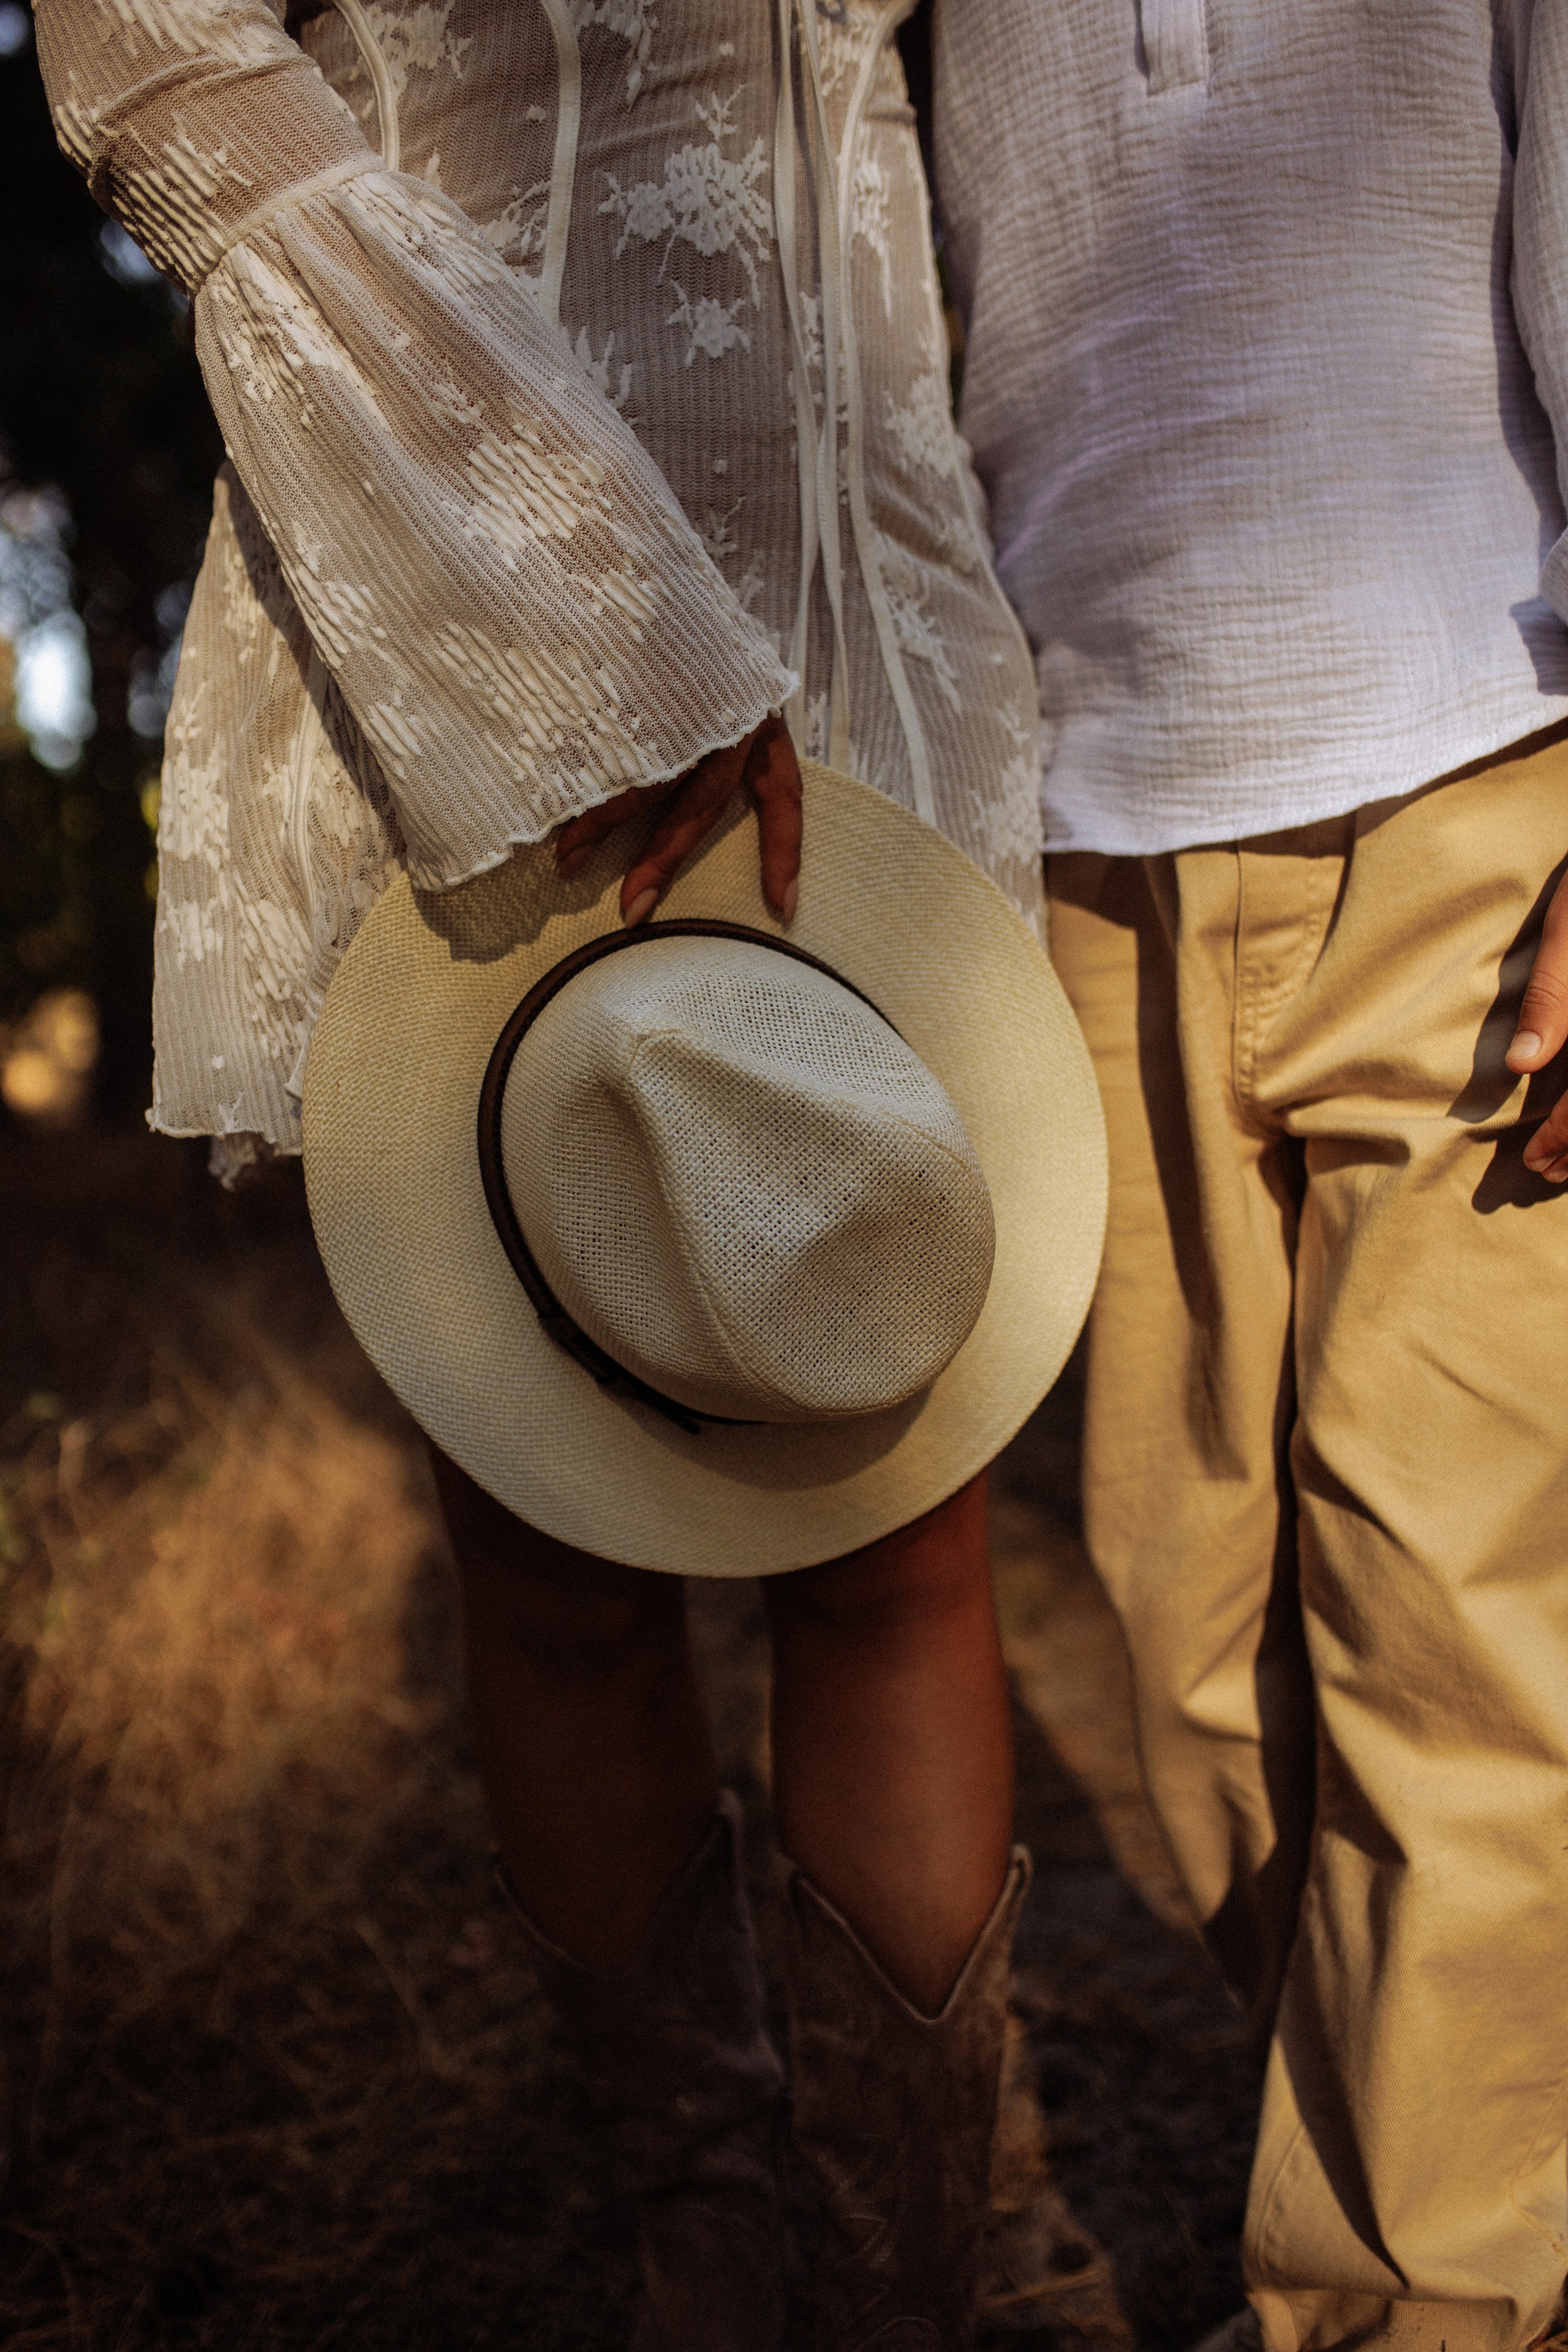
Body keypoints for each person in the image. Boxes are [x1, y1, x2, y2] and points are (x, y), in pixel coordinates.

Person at [34, 1, 1106, 2342]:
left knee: (893, 1511)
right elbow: (152, 59)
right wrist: (579, 616)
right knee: (550, 1538)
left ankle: (912, 2267)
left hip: (872, 616)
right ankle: (707, 2245)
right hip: (466, 591)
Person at [928, 4, 1568, 2349]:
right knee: (1190, 1646)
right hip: (1082, 831)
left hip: (1476, 761)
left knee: (1452, 1626)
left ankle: (1424, 2303)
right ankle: (1466, 2172)